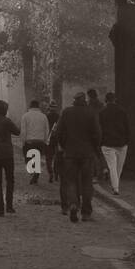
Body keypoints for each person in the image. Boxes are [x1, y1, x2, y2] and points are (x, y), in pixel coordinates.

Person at [58, 90, 101, 222]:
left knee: (71, 181)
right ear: (85, 101)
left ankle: (73, 204)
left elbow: (59, 133)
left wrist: (65, 146)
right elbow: (97, 133)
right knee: (87, 182)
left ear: (74, 100)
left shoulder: (66, 112)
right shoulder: (91, 113)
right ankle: (86, 213)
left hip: (70, 153)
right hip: (87, 153)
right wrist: (94, 148)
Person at [99, 92, 131, 196]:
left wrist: (100, 141)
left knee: (112, 166)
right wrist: (127, 140)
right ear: (115, 99)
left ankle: (115, 187)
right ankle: (116, 185)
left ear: (106, 100)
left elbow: (99, 129)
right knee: (119, 168)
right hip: (122, 143)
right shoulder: (122, 111)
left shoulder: (102, 112)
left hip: (107, 143)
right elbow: (127, 128)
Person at [19, 99, 50, 185]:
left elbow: (23, 130)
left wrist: (23, 141)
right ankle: (36, 172)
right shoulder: (43, 116)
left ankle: (33, 171)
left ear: (30, 106)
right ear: (38, 107)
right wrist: (45, 141)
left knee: (28, 159)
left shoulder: (25, 116)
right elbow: (47, 130)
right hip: (40, 142)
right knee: (37, 158)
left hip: (29, 142)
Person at [86, 88, 105, 183]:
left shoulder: (88, 105)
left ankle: (95, 174)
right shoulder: (101, 105)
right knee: (100, 153)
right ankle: (102, 171)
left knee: (92, 153)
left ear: (89, 96)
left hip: (91, 131)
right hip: (100, 131)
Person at [45, 100, 61, 183]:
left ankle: (50, 172)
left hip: (48, 138)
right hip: (57, 139)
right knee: (57, 157)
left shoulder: (46, 116)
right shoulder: (59, 116)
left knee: (49, 157)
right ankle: (56, 174)